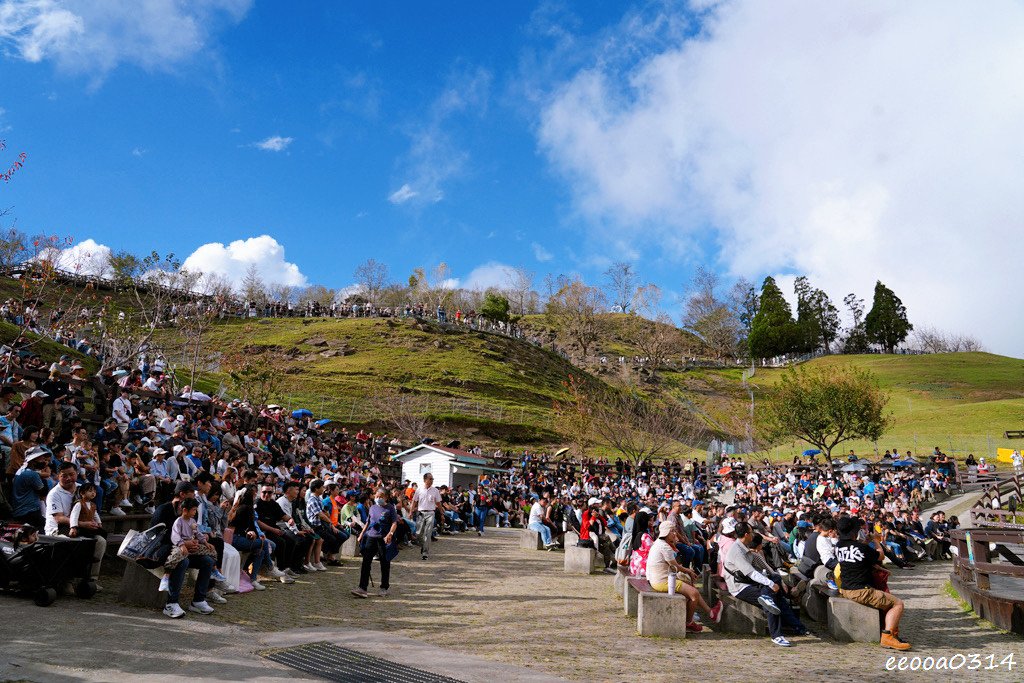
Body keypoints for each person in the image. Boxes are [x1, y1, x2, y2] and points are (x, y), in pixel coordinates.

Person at [723, 522, 807, 647]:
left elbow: (765, 570)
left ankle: (796, 625)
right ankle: (778, 635)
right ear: (746, 534)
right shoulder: (737, 551)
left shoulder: (745, 547)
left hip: (749, 582)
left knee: (773, 593)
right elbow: (751, 573)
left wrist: (771, 582)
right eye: (751, 532)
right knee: (771, 600)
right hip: (739, 586)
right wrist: (770, 583)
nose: (753, 534)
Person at [835, 515, 911, 650]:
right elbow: (880, 555)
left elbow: (858, 552)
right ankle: (887, 637)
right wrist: (876, 541)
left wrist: (865, 542)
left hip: (846, 588)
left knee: (887, 602)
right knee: (897, 604)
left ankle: (893, 634)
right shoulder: (860, 547)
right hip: (861, 591)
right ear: (854, 532)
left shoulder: (839, 545)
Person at [646, 520, 722, 632]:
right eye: (672, 531)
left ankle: (711, 613)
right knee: (694, 594)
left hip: (658, 579)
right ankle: (688, 622)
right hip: (661, 581)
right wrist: (689, 571)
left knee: (691, 589)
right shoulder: (664, 547)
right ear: (666, 533)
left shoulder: (659, 543)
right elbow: (675, 566)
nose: (675, 533)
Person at [45, 461, 106, 590]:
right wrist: (81, 523)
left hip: (80, 527)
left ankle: (90, 580)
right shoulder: (54, 494)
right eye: (64, 476)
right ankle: (66, 580)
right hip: (58, 529)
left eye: (71, 474)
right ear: (58, 476)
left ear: (77, 473)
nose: (68, 479)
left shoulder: (82, 488)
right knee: (72, 543)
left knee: (100, 541)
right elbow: (59, 518)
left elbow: (91, 508)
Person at [351, 487, 399, 598]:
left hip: (383, 539)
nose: (378, 498)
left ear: (386, 497)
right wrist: (362, 535)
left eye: (380, 497)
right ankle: (362, 588)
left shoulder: (390, 509)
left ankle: (384, 587)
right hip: (371, 537)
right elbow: (368, 522)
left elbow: (394, 523)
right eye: (376, 496)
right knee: (366, 562)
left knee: (384, 563)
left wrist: (390, 534)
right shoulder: (372, 507)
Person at [410, 473, 442, 560]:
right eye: (430, 479)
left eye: (432, 479)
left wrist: (442, 512)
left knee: (428, 533)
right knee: (418, 533)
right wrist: (410, 511)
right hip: (420, 513)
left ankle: (425, 553)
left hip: (431, 513)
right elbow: (414, 501)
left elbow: (438, 503)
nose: (432, 480)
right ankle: (423, 546)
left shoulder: (435, 490)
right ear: (425, 480)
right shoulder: (419, 490)